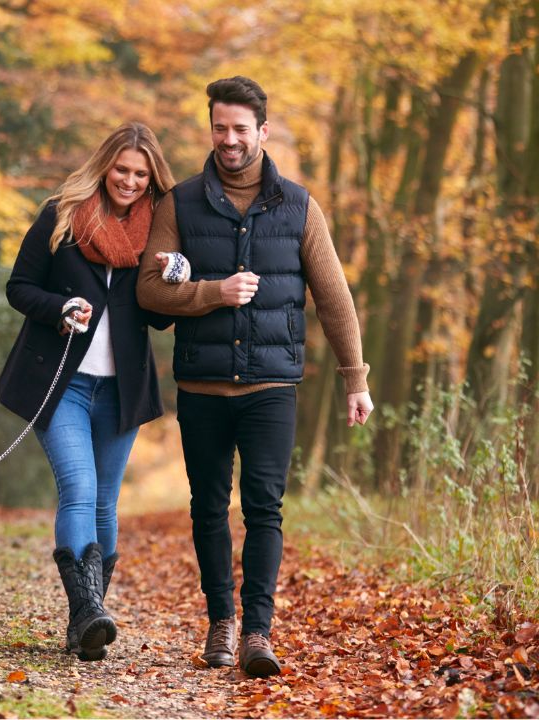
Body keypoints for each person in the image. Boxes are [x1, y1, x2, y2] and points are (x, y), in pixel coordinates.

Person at [136, 76, 375, 678]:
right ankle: (221, 623)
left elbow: (334, 297)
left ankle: (258, 634)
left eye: (241, 129)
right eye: (220, 128)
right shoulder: (180, 204)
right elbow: (147, 291)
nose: (230, 140)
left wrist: (356, 378)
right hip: (202, 387)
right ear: (210, 128)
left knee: (265, 509)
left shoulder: (298, 206)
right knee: (209, 509)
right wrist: (212, 293)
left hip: (272, 388)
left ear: (263, 132)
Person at [0, 122, 176, 662]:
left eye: (140, 174)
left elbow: (161, 321)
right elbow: (19, 287)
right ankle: (88, 613)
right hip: (63, 384)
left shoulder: (160, 231)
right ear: (104, 166)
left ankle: (86, 619)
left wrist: (172, 277)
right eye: (122, 169)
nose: (129, 180)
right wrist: (59, 309)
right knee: (78, 488)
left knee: (105, 500)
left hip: (121, 391)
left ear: (151, 180)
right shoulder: (62, 215)